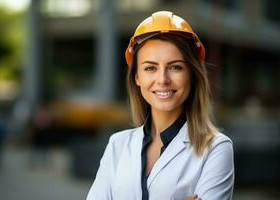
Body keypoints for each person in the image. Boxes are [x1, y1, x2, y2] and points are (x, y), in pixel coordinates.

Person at [87, 11, 234, 200]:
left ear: (192, 75)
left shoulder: (216, 148)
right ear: (137, 77)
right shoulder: (118, 145)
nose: (162, 79)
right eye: (150, 68)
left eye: (175, 67)